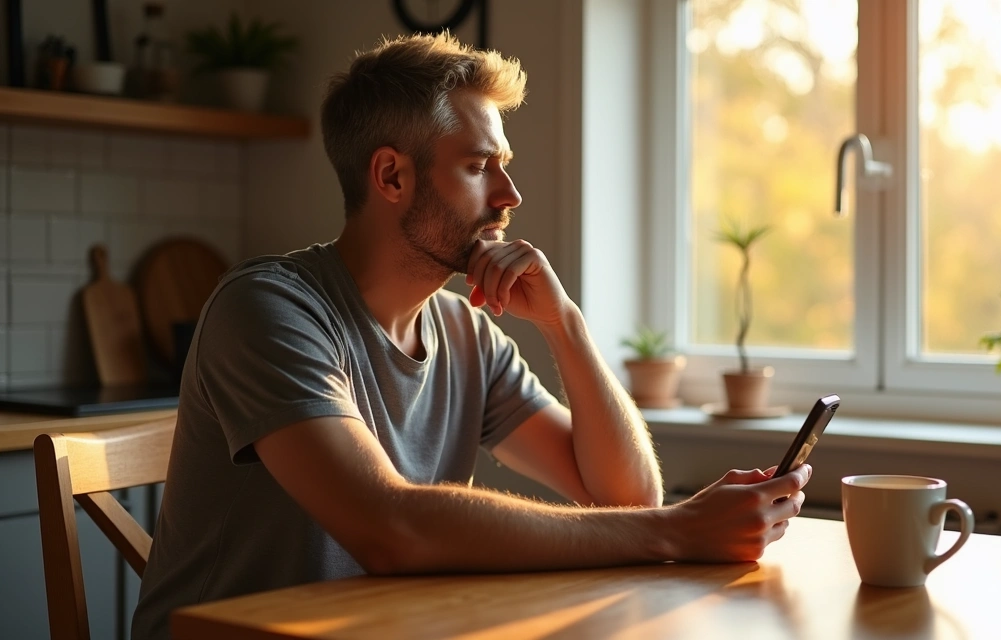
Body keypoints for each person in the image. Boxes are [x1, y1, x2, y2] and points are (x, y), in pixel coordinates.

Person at [131, 32, 810, 639]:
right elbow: (389, 528)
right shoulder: (269, 310)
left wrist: (565, 325)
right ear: (391, 175)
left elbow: (630, 500)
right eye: (479, 166)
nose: (510, 194)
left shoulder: (463, 331)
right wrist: (679, 532)